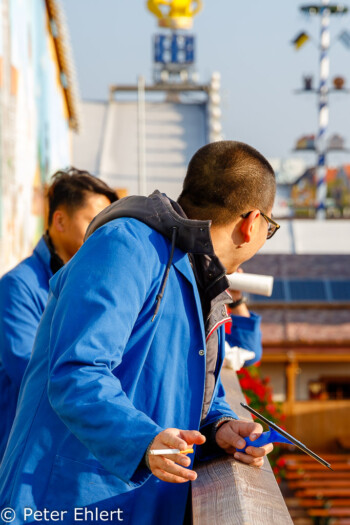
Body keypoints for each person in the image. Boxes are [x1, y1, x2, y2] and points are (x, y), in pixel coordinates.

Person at [0, 141, 279, 525]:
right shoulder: (128, 245)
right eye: (272, 226)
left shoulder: (196, 272)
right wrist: (142, 441)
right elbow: (76, 373)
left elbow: (177, 388)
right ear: (251, 223)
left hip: (135, 504)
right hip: (61, 501)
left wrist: (219, 427)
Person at [0, 168, 118, 460]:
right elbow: (30, 373)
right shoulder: (19, 286)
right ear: (60, 220)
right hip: (24, 450)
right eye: (93, 223)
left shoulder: (95, 285)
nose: (101, 236)